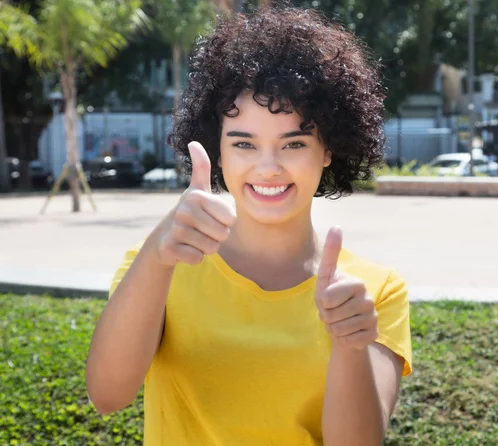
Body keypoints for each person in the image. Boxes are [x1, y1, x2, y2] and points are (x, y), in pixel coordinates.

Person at [86, 6, 412, 446]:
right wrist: (156, 255)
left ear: (329, 149)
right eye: (244, 143)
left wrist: (350, 346)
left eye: (293, 143)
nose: (269, 167)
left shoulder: (373, 292)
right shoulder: (162, 264)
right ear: (216, 149)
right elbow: (107, 396)